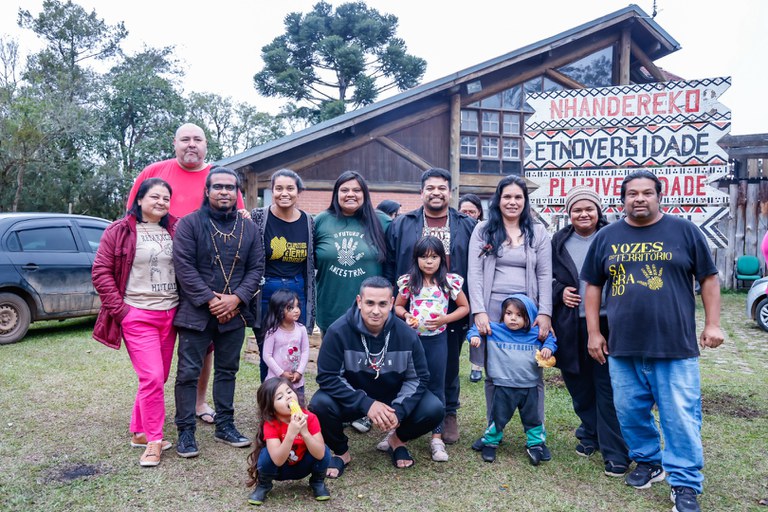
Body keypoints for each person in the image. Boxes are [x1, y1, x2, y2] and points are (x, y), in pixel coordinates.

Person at [582, 170, 724, 512]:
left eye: (647, 192)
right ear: (623, 199)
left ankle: (685, 483)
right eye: (632, 193)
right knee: (630, 412)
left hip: (673, 346)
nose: (639, 198)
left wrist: (713, 324)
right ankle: (648, 461)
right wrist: (594, 332)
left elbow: (708, 278)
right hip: (623, 345)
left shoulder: (684, 231)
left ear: (659, 196)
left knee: (680, 416)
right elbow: (593, 286)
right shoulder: (607, 237)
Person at [127, 122, 245, 426]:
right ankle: (151, 405)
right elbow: (131, 218)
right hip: (160, 274)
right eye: (185, 140)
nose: (191, 145)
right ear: (174, 143)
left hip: (208, 279)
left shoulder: (219, 177)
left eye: (197, 139)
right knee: (158, 349)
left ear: (206, 145)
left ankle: (199, 401)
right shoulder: (155, 171)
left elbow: (239, 219)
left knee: (203, 344)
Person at [309, 276, 443, 477]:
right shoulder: (338, 332)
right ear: (359, 301)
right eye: (369, 303)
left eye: (382, 304)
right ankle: (341, 451)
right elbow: (328, 377)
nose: (375, 310)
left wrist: (398, 410)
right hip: (353, 399)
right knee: (320, 404)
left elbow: (418, 378)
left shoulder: (406, 334)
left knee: (434, 408)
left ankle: (397, 440)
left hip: (393, 398)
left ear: (391, 303)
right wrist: (366, 404)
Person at [172, 167, 264, 458]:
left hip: (234, 313)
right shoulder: (189, 224)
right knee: (188, 373)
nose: (224, 192)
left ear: (236, 192)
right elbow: (184, 267)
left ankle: (225, 424)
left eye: (229, 187)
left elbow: (256, 268)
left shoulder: (248, 227)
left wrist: (236, 300)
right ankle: (186, 431)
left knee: (228, 371)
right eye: (218, 187)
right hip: (196, 312)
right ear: (207, 191)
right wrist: (213, 301)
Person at [385, 168, 476, 445]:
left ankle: (447, 413)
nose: (436, 192)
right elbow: (390, 264)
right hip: (412, 309)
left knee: (446, 364)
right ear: (421, 192)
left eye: (442, 188)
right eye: (430, 188)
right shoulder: (402, 224)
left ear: (450, 192)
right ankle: (404, 415)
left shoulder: (466, 225)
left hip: (451, 306)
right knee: (407, 365)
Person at [92, 178, 178, 467]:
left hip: (170, 314)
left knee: (157, 377)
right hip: (137, 315)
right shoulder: (120, 230)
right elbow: (101, 271)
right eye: (155, 197)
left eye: (166, 198)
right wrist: (122, 311)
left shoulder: (175, 228)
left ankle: (140, 432)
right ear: (139, 199)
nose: (162, 202)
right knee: (152, 377)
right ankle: (154, 440)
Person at [551, 185, 630, 477]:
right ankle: (590, 432)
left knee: (606, 387)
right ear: (569, 213)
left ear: (599, 212)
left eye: (589, 209)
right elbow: (544, 278)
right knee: (577, 383)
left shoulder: (615, 238)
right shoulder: (558, 242)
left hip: (609, 324)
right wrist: (560, 292)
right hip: (572, 324)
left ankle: (615, 451)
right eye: (577, 209)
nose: (583, 214)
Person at [467, 175, 552, 428]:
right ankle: (494, 428)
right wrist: (479, 311)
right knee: (494, 372)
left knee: (532, 370)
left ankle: (536, 431)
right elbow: (475, 272)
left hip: (528, 311)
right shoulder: (483, 230)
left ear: (525, 201)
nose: (512, 202)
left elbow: (546, 274)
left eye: (518, 197)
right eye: (507, 197)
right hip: (493, 309)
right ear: (497, 200)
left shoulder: (537, 232)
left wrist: (545, 312)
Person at [314, 171, 391, 433]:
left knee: (369, 362)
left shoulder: (381, 221)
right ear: (336, 193)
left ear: (365, 194)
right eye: (344, 190)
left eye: (356, 190)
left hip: (372, 309)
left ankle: (368, 410)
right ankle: (340, 409)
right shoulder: (321, 221)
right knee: (336, 363)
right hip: (332, 304)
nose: (350, 195)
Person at [394, 236, 470, 462]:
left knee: (437, 384)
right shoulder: (409, 282)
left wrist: (445, 319)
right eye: (424, 257)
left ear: (442, 259)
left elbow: (465, 308)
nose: (429, 262)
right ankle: (397, 431)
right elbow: (397, 306)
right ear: (416, 259)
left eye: (434, 257)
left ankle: (437, 437)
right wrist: (407, 315)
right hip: (412, 342)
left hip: (438, 341)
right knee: (406, 383)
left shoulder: (449, 282)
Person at [468, 294, 556, 465]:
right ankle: (490, 441)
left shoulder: (535, 334)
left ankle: (536, 444)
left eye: (519, 315)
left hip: (529, 386)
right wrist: (475, 336)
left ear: (528, 317)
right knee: (498, 417)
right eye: (508, 313)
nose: (513, 318)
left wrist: (548, 348)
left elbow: (551, 338)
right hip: (503, 385)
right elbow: (474, 329)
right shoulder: (495, 330)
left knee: (533, 418)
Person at [251, 169, 315, 384]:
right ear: (272, 191)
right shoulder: (259, 217)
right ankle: (269, 405)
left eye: (290, 188)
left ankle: (294, 402)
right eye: (279, 188)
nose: (284, 193)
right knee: (268, 349)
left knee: (294, 347)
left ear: (299, 192)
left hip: (297, 289)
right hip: (267, 290)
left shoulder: (308, 221)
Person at [246, 377, 331, 506]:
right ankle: (264, 485)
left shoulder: (310, 418)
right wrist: (291, 434)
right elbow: (277, 460)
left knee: (324, 449)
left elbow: (320, 454)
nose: (288, 397)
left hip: (303, 466)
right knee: (266, 454)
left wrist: (305, 432)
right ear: (270, 407)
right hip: (279, 469)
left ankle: (317, 482)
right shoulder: (271, 424)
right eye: (279, 397)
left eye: (289, 392)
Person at [261, 289, 310, 405]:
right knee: (278, 406)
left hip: (296, 380)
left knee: (298, 404)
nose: (296, 311)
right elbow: (267, 356)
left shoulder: (301, 329)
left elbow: (305, 350)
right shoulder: (272, 332)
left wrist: (299, 372)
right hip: (276, 379)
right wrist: (281, 373)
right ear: (278, 310)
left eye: (297, 306)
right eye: (291, 308)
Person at [458, 193, 486, 383]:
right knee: (458, 328)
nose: (468, 215)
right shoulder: (455, 229)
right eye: (464, 211)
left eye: (472, 211)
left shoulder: (486, 231)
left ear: (479, 213)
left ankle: (477, 366)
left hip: (479, 285)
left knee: (478, 326)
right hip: (459, 285)